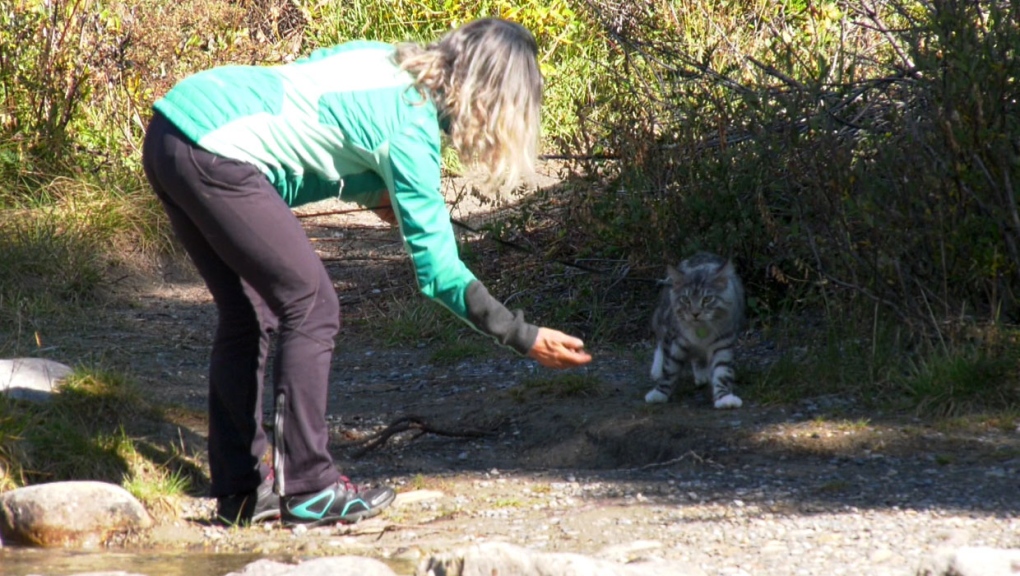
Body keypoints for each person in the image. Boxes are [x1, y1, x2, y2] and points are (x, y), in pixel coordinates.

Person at [141, 17, 593, 527]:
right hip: (216, 152)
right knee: (310, 304)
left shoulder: (386, 58)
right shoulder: (410, 128)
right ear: (493, 97)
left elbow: (315, 114)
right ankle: (310, 486)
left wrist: (375, 189)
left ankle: (242, 493)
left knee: (251, 313)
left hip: (173, 129)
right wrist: (523, 335)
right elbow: (439, 274)